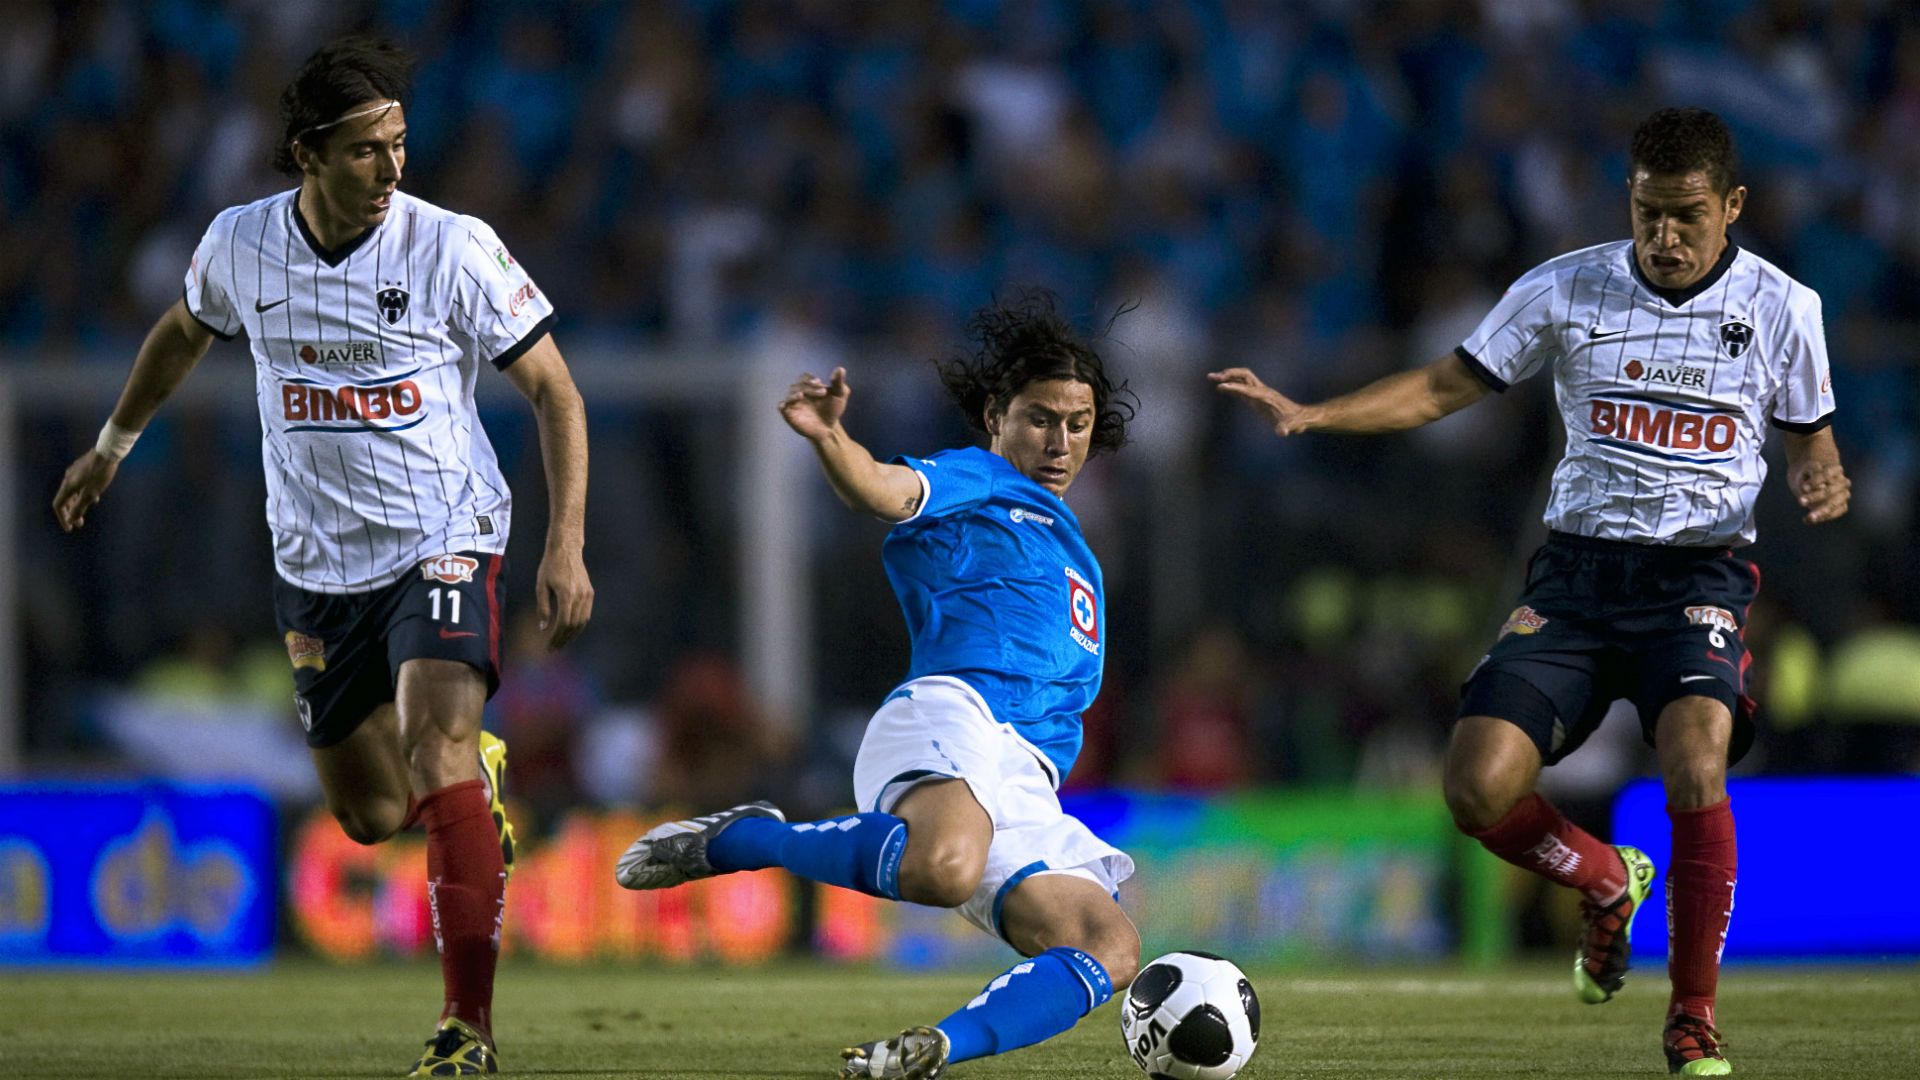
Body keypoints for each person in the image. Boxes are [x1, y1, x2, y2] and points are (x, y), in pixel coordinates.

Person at [1211, 107, 1848, 1077]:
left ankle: (1692, 1018)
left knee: (1695, 767)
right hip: (1576, 578)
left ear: (1734, 207)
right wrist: (1313, 412)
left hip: (1698, 578)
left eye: (1686, 217)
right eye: (1647, 215)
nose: (1664, 238)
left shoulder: (1784, 308)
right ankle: (1603, 881)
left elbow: (1812, 437)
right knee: (1474, 787)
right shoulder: (1565, 287)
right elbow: (1440, 388)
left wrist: (1822, 476)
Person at [52, 37, 594, 1078]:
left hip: (447, 533)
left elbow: (557, 392)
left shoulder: (452, 246)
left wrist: (563, 543)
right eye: (363, 152)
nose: (391, 170)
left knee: (436, 746)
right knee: (371, 814)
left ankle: (465, 1032)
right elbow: (181, 329)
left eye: (398, 144)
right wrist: (113, 446)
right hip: (317, 564)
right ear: (306, 154)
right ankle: (471, 790)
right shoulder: (241, 246)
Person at [615, 290, 1139, 1079]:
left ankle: (932, 1050)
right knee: (945, 868)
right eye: (1039, 417)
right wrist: (831, 439)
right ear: (996, 416)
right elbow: (882, 489)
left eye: (1077, 423)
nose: (1059, 440)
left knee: (1113, 946)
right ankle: (752, 837)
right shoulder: (980, 480)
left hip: (1025, 779)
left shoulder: (1079, 553)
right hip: (951, 715)